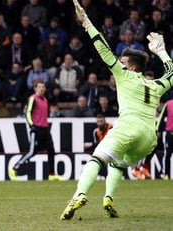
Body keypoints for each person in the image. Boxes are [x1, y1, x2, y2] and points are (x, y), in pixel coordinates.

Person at [60, 0, 173, 220]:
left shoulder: (125, 74)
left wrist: (86, 23)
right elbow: (171, 74)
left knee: (97, 158)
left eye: (123, 61)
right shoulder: (156, 85)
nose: (119, 63)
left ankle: (79, 195)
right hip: (148, 138)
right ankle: (108, 198)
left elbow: (103, 47)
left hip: (128, 126)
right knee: (118, 163)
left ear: (131, 66)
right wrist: (162, 52)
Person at [10, 80, 63, 181]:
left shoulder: (45, 100)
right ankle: (14, 168)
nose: (42, 89)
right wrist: (32, 126)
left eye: (43, 87)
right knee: (32, 152)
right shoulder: (32, 99)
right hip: (36, 128)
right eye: (40, 87)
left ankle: (51, 174)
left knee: (51, 150)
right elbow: (28, 113)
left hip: (45, 128)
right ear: (35, 88)